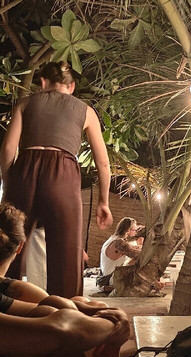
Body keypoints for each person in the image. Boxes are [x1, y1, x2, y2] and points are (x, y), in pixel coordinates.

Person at [0, 61, 113, 298]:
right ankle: (67, 309)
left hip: (25, 167)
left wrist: (10, 183)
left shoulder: (25, 103)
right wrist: (103, 202)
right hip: (63, 171)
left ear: (43, 82)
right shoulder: (86, 111)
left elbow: (9, 149)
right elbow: (103, 163)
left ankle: (6, 305)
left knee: (9, 241)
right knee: (66, 251)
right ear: (71, 86)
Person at [0, 202, 129, 357]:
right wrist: (115, 325)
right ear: (20, 248)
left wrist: (107, 314)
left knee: (66, 306)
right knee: (58, 332)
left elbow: (58, 306)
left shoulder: (7, 287)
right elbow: (59, 329)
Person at [97, 217, 143, 292]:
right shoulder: (119, 243)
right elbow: (138, 255)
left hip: (105, 277)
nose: (136, 232)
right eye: (135, 230)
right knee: (137, 260)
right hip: (109, 279)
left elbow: (133, 247)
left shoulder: (114, 239)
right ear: (128, 230)